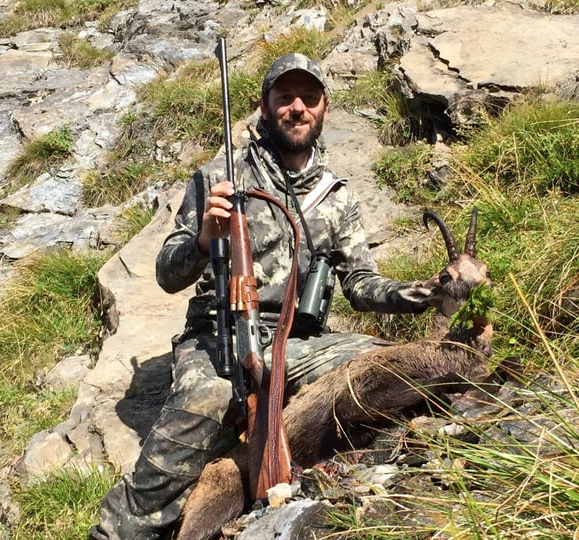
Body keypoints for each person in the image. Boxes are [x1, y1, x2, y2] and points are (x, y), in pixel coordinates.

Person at [89, 52, 437, 540]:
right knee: (202, 403)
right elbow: (168, 274)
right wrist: (204, 240)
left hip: (300, 341)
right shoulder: (221, 179)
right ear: (265, 106)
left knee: (387, 365)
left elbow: (360, 284)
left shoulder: (338, 196)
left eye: (308, 98)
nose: (297, 108)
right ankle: (120, 531)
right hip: (220, 335)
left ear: (324, 109)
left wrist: (422, 292)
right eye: (285, 98)